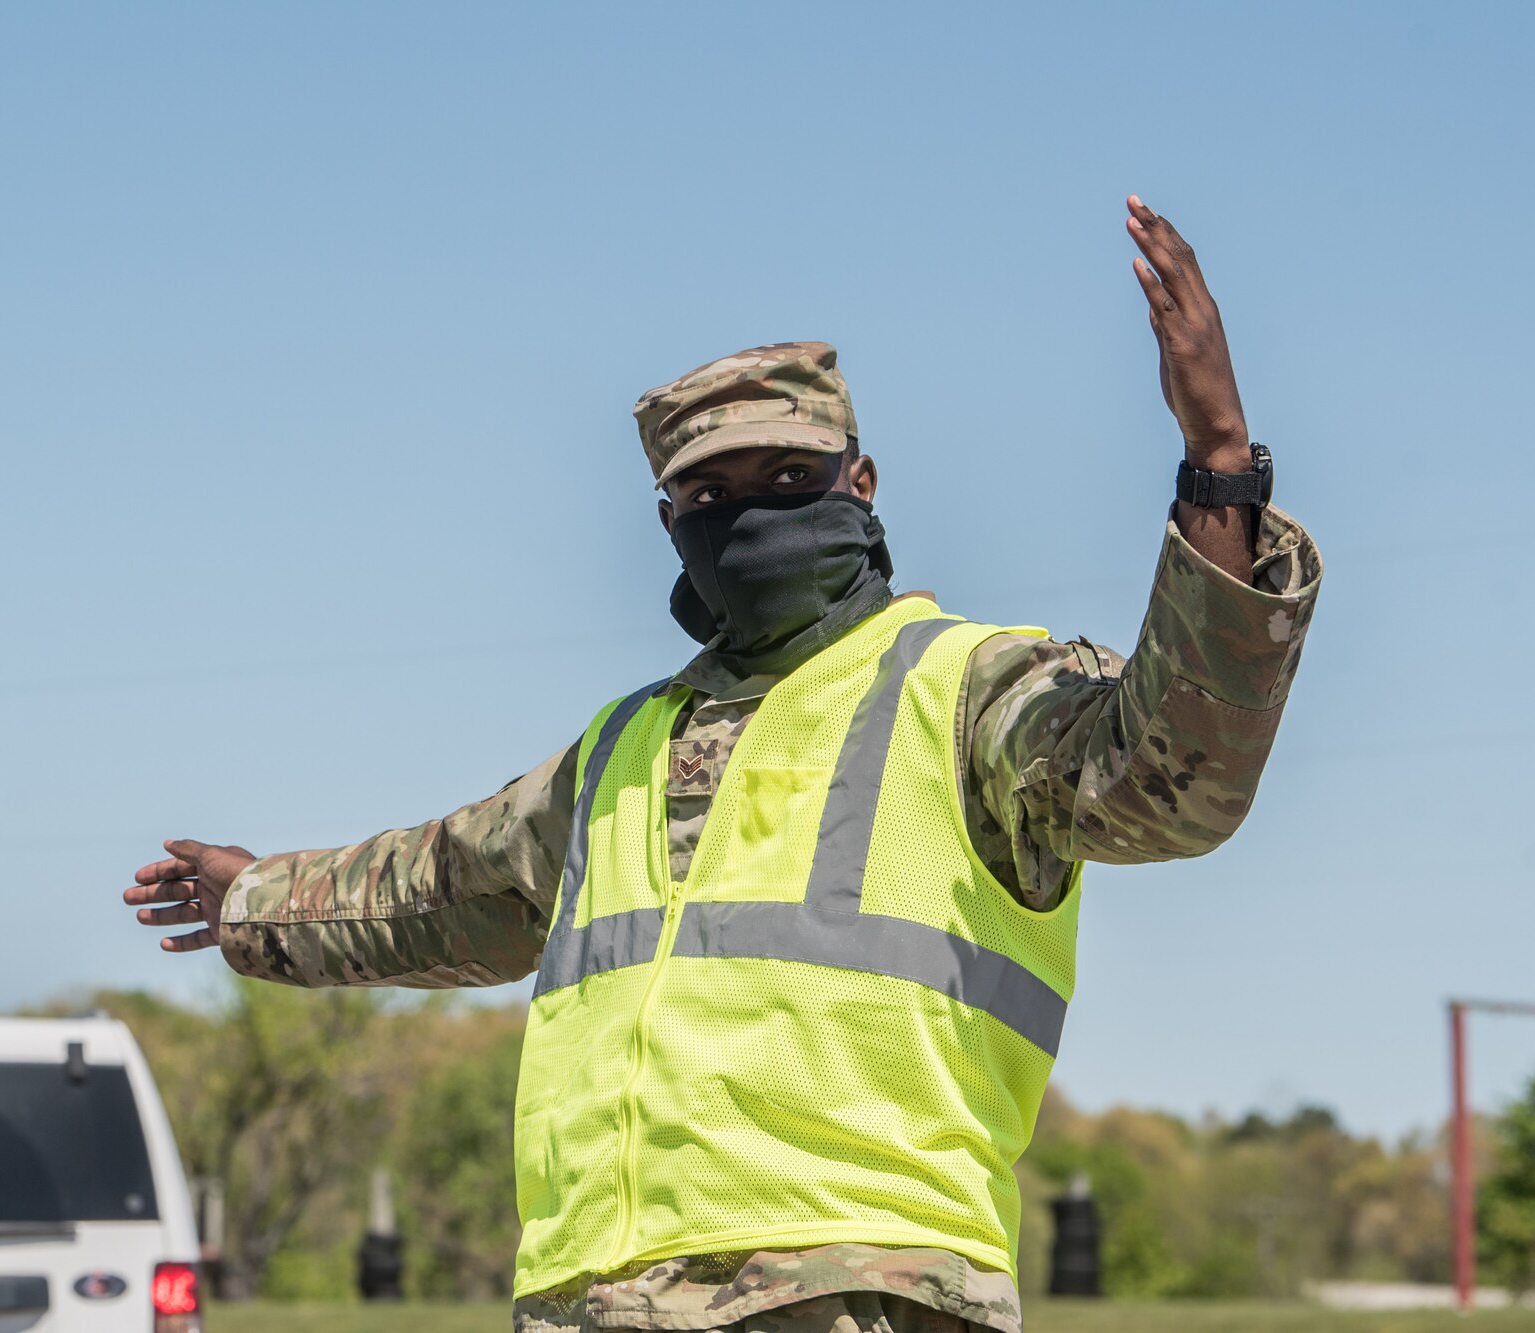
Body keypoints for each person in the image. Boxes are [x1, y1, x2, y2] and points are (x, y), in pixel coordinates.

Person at [121, 196, 1321, 1333]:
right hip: (599, 1293)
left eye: (786, 481)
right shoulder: (617, 752)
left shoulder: (964, 689)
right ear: (668, 523)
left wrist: (1216, 466)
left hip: (855, 1284)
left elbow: (1171, 781)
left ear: (858, 485)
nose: (749, 515)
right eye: (709, 492)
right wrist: (253, 900)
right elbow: (442, 888)